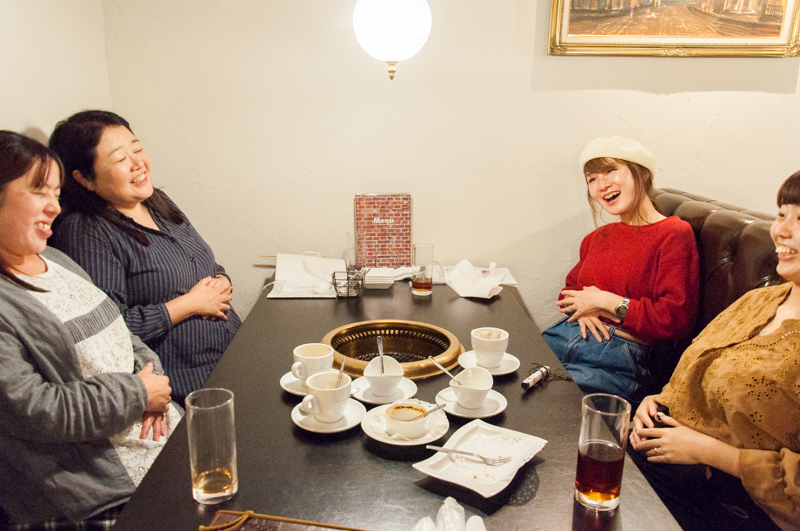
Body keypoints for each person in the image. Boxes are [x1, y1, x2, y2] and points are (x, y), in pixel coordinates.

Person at [0, 131, 180, 529]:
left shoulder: (56, 258)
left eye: (56, 192)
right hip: (98, 495)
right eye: (39, 191)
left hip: (162, 446)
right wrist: (137, 394)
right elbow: (34, 409)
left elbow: (120, 330)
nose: (54, 206)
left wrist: (154, 382)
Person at [628, 171, 800, 531]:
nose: (781, 231)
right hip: (661, 457)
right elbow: (698, 371)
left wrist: (707, 452)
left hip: (731, 502)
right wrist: (658, 401)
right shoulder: (759, 300)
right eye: (782, 214)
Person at [49, 110, 241, 406]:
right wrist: (189, 305)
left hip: (233, 354)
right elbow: (106, 330)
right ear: (85, 178)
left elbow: (204, 264)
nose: (138, 163)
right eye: (120, 159)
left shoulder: (156, 202)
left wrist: (223, 281)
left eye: (137, 149)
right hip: (189, 385)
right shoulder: (86, 231)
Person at [542, 136, 699, 403]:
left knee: (546, 400)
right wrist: (583, 310)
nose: (602, 185)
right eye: (592, 179)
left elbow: (675, 319)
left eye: (610, 170)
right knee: (500, 373)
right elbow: (569, 292)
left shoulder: (674, 233)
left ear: (643, 173)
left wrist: (607, 302)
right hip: (565, 334)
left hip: (619, 357)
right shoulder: (596, 238)